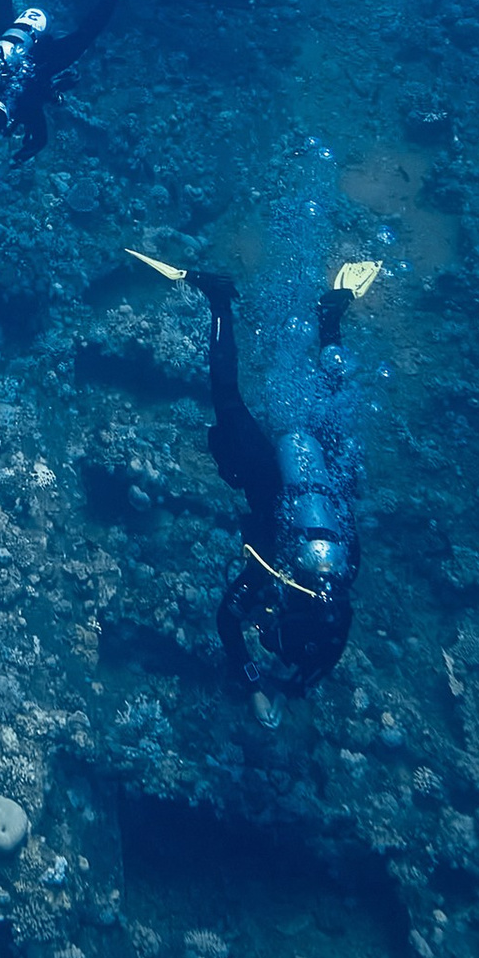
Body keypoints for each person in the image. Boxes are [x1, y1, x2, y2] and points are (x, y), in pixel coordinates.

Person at [127, 250, 376, 693]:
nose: (264, 624)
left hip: (320, 468)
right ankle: (219, 299)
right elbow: (228, 621)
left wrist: (285, 685)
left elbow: (345, 507)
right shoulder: (272, 566)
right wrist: (255, 681)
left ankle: (330, 320)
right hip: (270, 480)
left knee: (333, 402)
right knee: (226, 397)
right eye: (272, 626)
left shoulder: (344, 571)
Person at [0, 0, 157, 155]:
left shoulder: (22, 103)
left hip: (40, 60)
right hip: (4, 47)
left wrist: (9, 162)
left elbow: (40, 141)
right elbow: (37, 140)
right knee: (2, 17)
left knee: (85, 36)